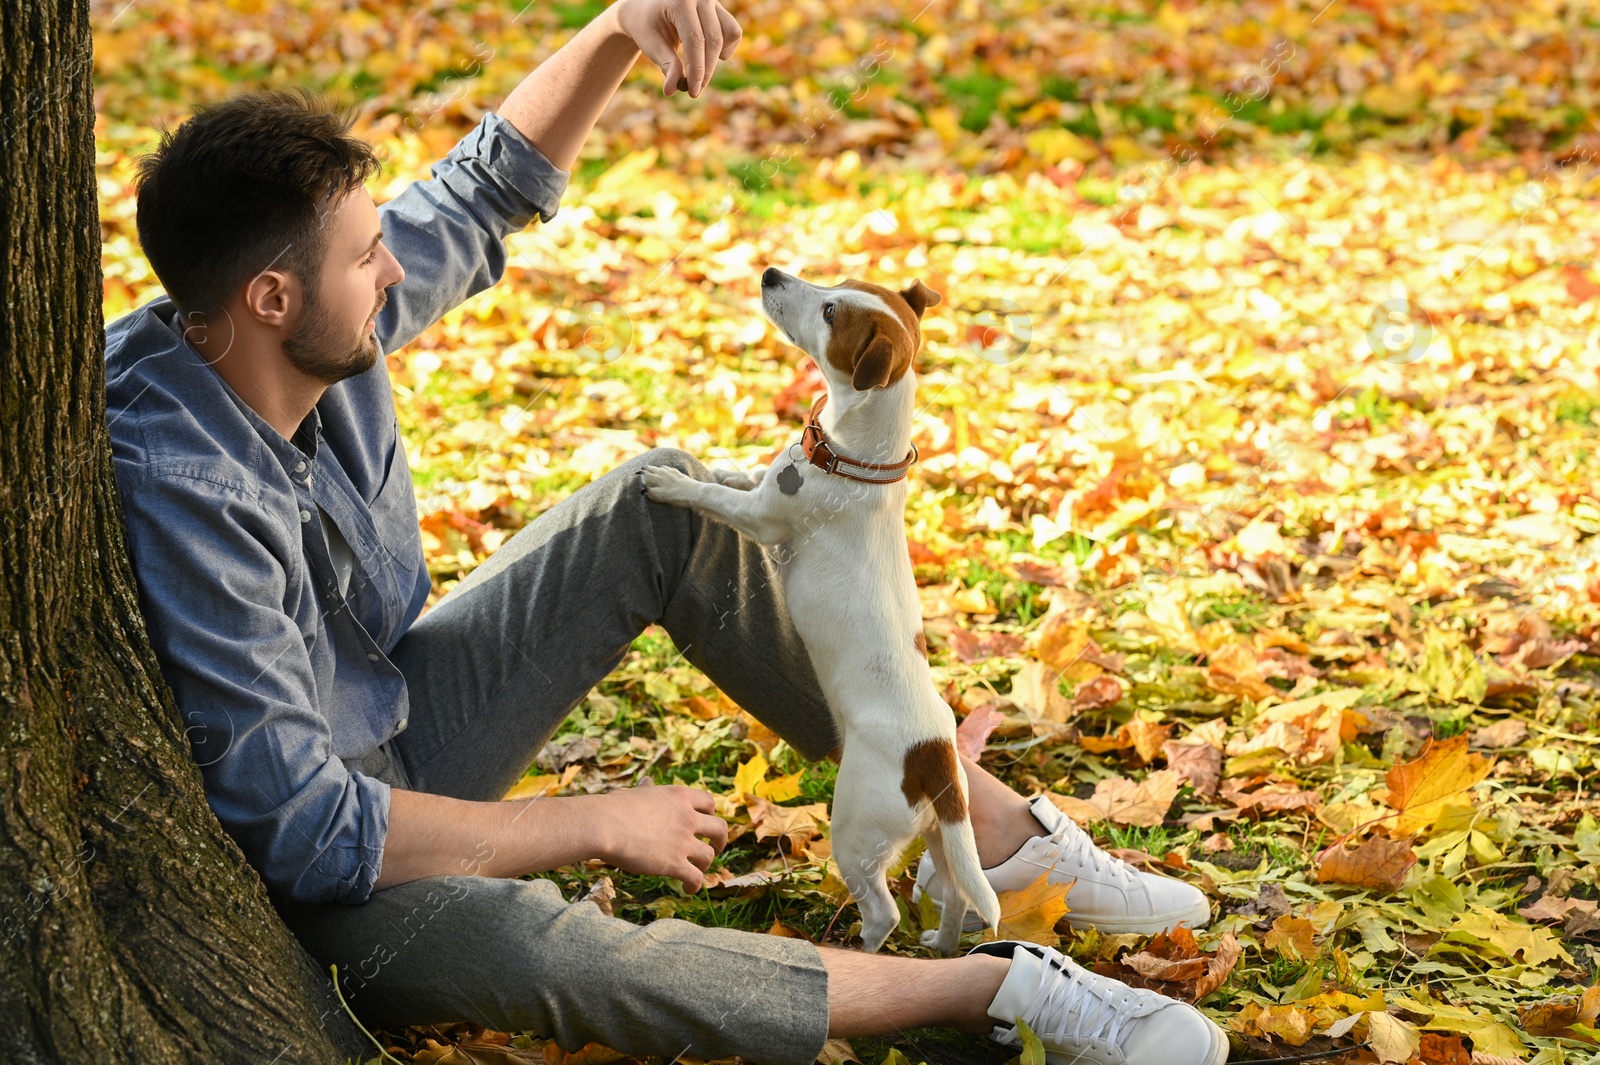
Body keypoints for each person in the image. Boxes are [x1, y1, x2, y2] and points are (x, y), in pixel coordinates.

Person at [103, 2, 1226, 1062]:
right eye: (363, 258)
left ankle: (988, 833)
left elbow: (480, 195)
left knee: (660, 502)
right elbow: (305, 828)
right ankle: (1002, 988)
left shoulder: (301, 317)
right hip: (320, 873)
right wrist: (593, 822)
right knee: (534, 947)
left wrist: (615, 31)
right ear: (268, 299)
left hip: (401, 720)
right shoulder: (184, 484)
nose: (392, 267)